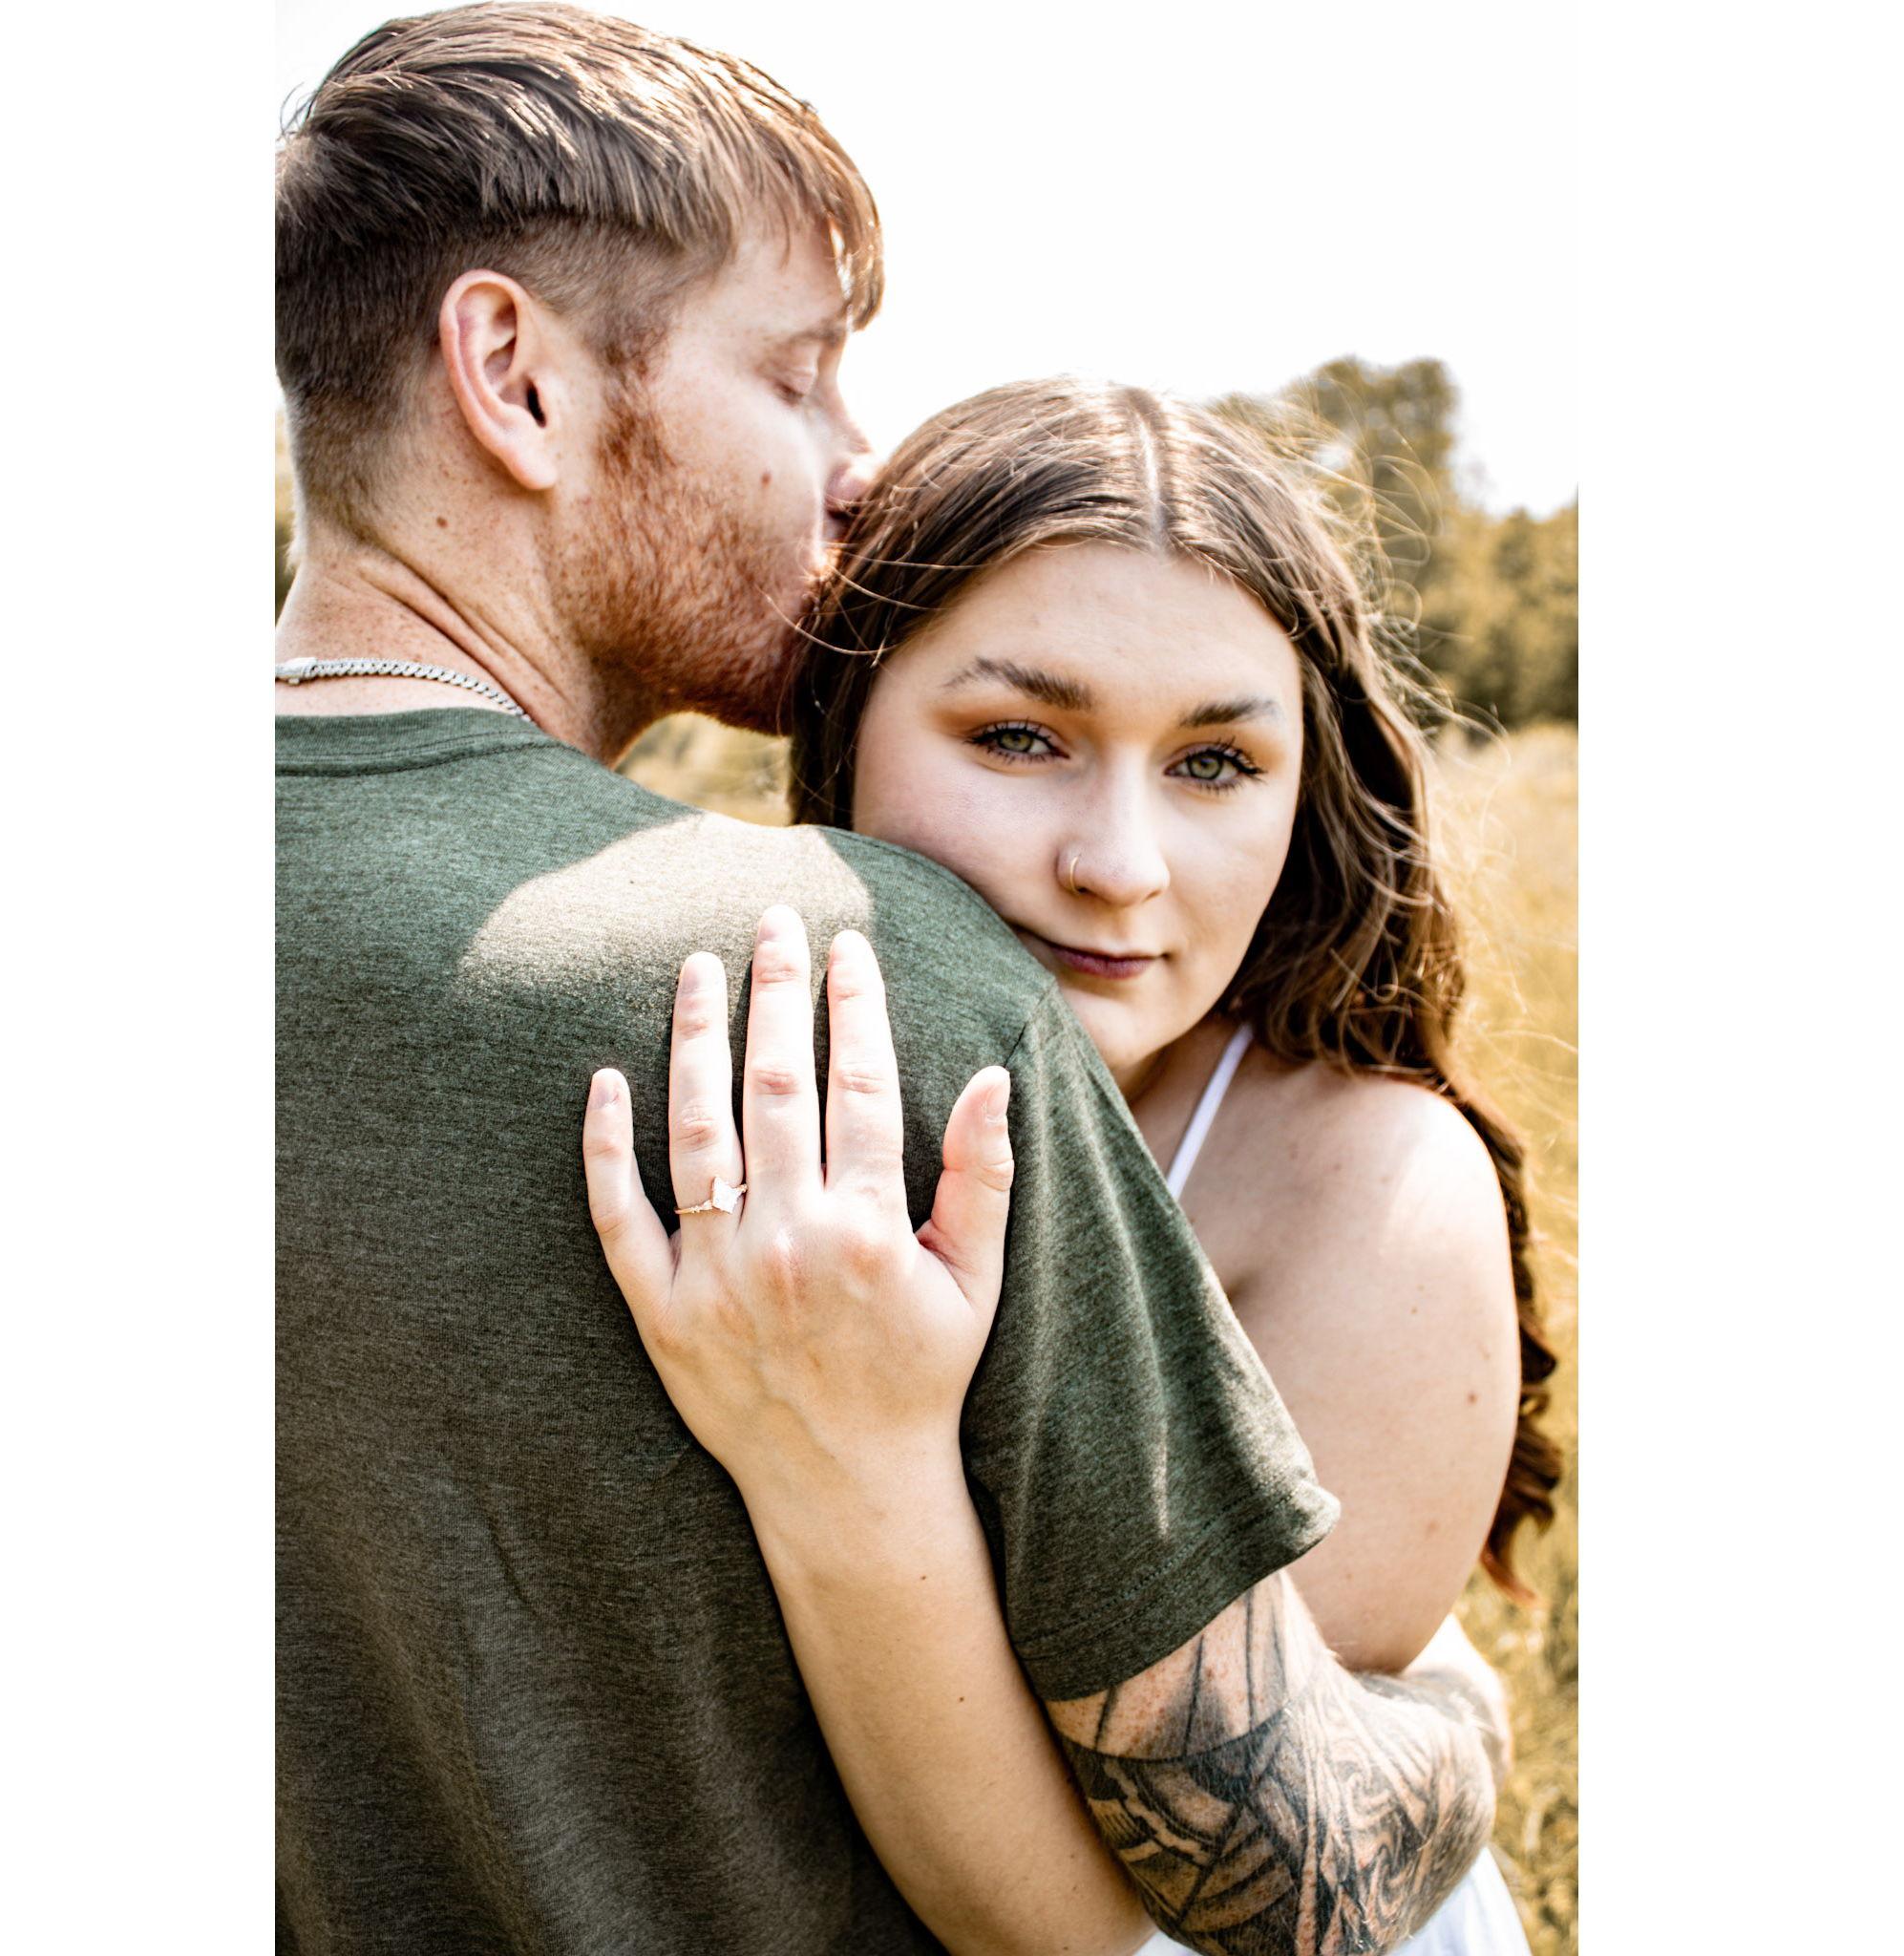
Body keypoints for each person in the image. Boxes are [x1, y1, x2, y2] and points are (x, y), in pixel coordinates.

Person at [277, 7, 1506, 1951]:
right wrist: (1448, 1714)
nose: (854, 472)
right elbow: (1243, 1878)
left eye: (1216, 760)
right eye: (800, 377)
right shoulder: (847, 985)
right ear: (513, 377)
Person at [584, 380, 1560, 1952]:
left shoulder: (1368, 1190)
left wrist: (846, 1460)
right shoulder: (707, 1066)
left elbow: (1106, 1923)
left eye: (1215, 763)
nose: (1119, 864)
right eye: (1019, 737)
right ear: (844, 720)